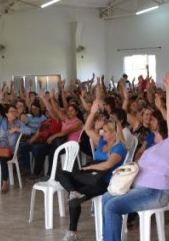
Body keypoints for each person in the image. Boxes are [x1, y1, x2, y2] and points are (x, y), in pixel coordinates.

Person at [100, 72, 169, 241]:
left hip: (156, 191)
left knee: (112, 207)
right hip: (139, 187)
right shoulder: (151, 147)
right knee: (106, 198)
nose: (149, 122)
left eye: (153, 121)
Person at [56, 95, 127, 241]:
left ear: (114, 133)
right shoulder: (102, 143)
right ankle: (73, 191)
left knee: (74, 200)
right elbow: (87, 128)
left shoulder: (119, 148)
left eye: (105, 131)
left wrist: (91, 166)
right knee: (61, 173)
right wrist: (93, 112)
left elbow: (108, 165)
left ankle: (72, 232)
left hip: (103, 183)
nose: (102, 132)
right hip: (91, 177)